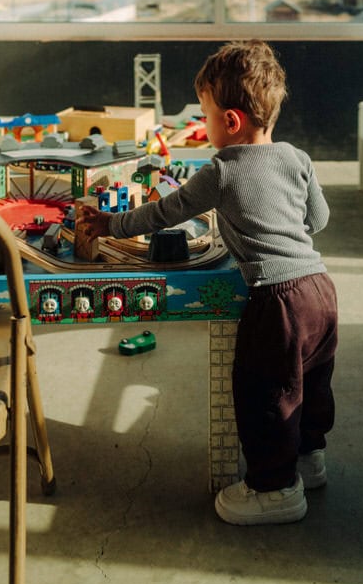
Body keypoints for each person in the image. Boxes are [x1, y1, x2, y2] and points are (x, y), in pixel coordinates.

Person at [81, 40, 338, 525]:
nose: (204, 124)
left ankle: (275, 490)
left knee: (266, 394)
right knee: (309, 384)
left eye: (205, 115)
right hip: (321, 289)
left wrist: (110, 225)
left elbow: (165, 212)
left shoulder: (221, 170)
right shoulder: (298, 157)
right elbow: (318, 220)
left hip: (277, 301)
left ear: (231, 121)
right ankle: (309, 461)